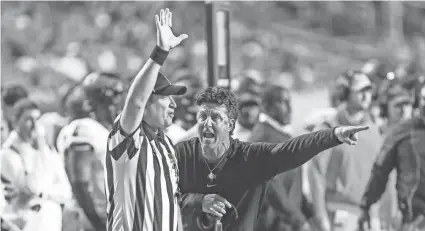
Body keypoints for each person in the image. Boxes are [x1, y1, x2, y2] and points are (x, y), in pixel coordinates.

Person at [176, 86, 370, 231]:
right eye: (202, 117)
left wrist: (333, 135)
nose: (207, 124)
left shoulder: (248, 157)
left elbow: (292, 150)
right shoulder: (180, 154)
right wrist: (199, 201)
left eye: (215, 118)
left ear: (230, 124)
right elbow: (163, 196)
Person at [104, 8, 188, 231]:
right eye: (166, 97)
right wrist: (160, 52)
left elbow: (172, 202)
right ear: (148, 100)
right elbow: (135, 103)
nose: (174, 104)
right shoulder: (128, 138)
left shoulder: (166, 143)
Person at [307, 70, 388, 231]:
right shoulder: (327, 130)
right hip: (338, 215)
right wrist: (321, 218)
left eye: (369, 90)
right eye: (361, 91)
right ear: (344, 93)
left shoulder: (374, 130)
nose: (366, 96)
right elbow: (316, 177)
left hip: (368, 216)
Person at [56, 72, 126, 231]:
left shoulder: (110, 130)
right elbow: (79, 182)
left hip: (109, 216)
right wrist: (98, 223)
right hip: (88, 218)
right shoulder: (84, 128)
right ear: (105, 96)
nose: (122, 99)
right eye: (118, 93)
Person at [358, 83, 425, 231]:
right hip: (413, 221)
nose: (404, 109)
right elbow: (379, 172)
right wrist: (366, 205)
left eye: (407, 104)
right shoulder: (401, 132)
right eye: (398, 105)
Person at [1, 99, 73, 231]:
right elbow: (35, 186)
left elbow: (66, 191)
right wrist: (40, 146)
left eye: (37, 119)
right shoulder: (7, 154)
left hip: (52, 221)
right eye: (28, 119)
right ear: (16, 122)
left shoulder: (45, 150)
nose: (34, 125)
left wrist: (43, 195)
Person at [250, 84, 313, 231]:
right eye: (282, 102)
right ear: (266, 106)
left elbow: (290, 183)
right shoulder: (263, 137)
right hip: (272, 224)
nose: (289, 108)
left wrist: (308, 212)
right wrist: (297, 219)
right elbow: (271, 187)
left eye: (289, 102)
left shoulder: (278, 135)